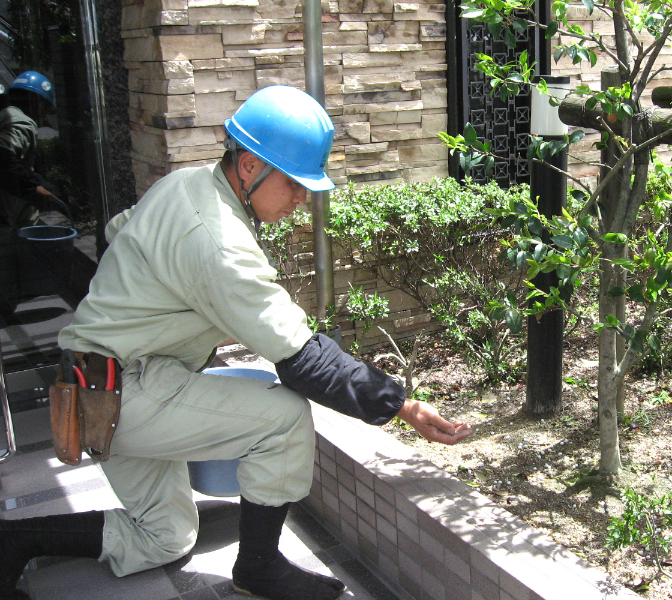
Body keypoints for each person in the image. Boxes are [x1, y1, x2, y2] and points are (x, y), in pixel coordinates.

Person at [0, 85, 471, 600]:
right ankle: (261, 568)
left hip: (90, 384)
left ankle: (14, 540)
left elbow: (118, 233)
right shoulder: (217, 239)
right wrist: (400, 404)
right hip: (125, 392)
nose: (301, 198)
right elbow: (302, 361)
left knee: (165, 539)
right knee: (284, 417)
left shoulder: (185, 183)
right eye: (294, 183)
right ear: (249, 166)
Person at [0, 71, 63, 315]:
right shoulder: (20, 122)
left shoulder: (5, 116)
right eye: (44, 107)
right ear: (35, 101)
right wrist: (34, 185)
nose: (44, 114)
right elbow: (3, 158)